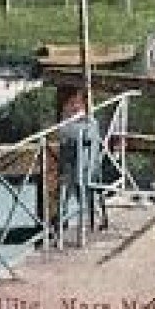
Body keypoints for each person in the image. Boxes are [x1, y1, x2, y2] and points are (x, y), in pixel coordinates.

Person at [56, 89, 107, 239]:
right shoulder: (67, 123)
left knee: (90, 189)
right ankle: (61, 226)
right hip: (72, 165)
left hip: (88, 164)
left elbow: (88, 136)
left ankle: (95, 220)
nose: (73, 106)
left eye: (76, 103)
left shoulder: (90, 122)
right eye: (71, 103)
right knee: (69, 193)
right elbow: (64, 134)